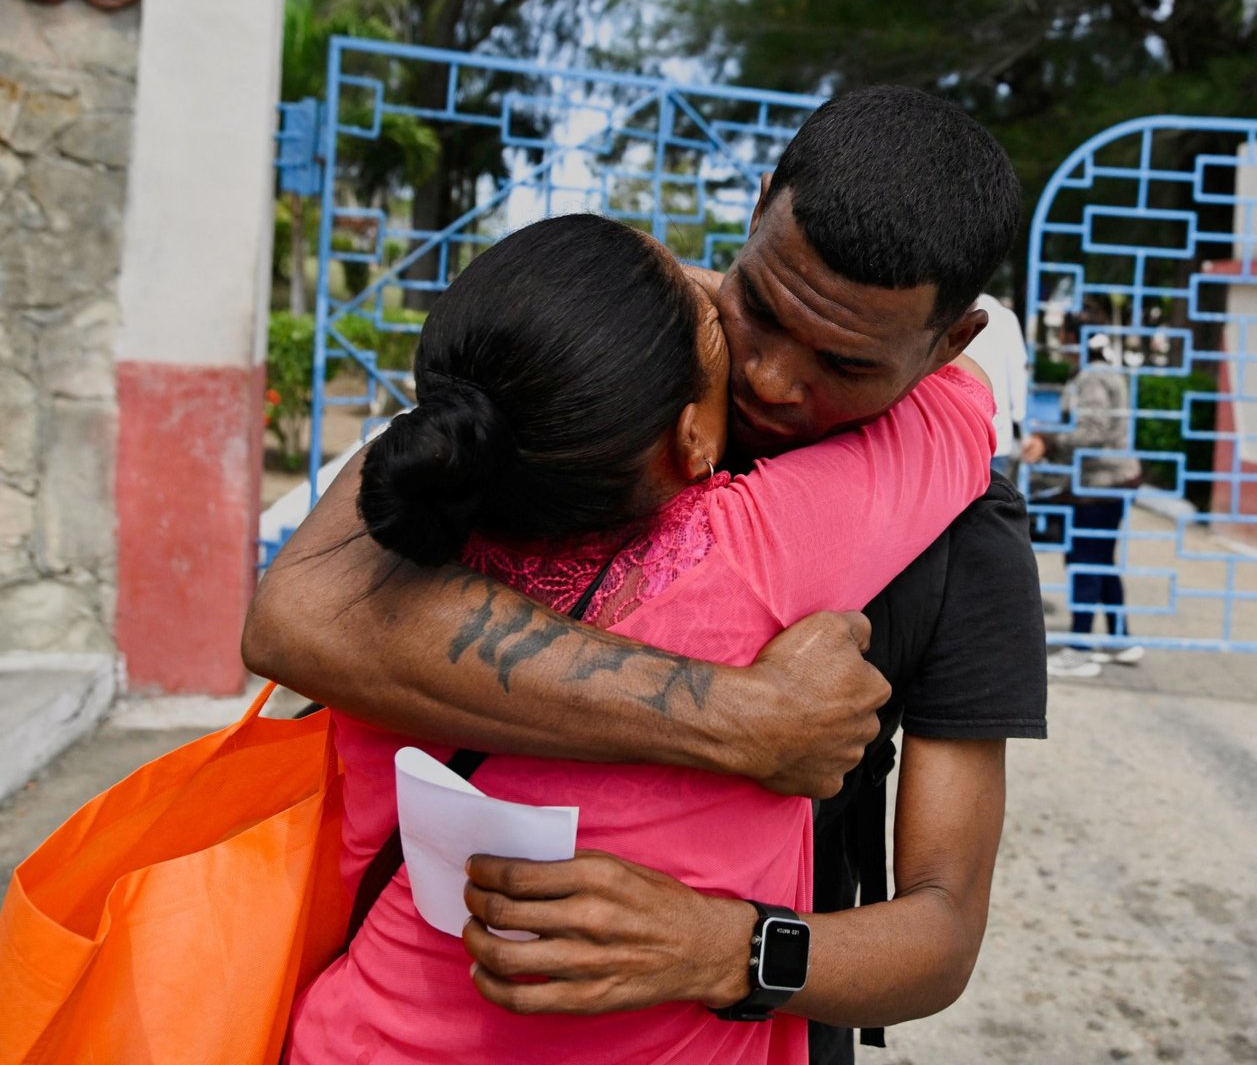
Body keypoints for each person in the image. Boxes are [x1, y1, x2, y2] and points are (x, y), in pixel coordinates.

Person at [245, 85, 1048, 1061]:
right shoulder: (585, 371)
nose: (771, 380)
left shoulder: (967, 534)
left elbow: (942, 934)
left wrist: (726, 949)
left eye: (844, 364)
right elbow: (301, 616)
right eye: (759, 308)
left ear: (950, 345)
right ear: (757, 212)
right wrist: (740, 718)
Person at [1021, 300, 1144, 670]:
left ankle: (1080, 647)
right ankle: (1121, 640)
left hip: (1100, 484)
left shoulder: (1092, 377)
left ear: (1075, 337)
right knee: (1101, 561)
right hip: (1110, 482)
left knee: (1086, 561)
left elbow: (1093, 430)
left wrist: (1049, 441)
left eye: (1063, 334)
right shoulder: (1100, 372)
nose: (1060, 342)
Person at [964, 292, 1030, 478]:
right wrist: (1023, 427)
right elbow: (1018, 374)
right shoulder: (1004, 317)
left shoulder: (945, 310)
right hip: (997, 434)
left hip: (957, 432)